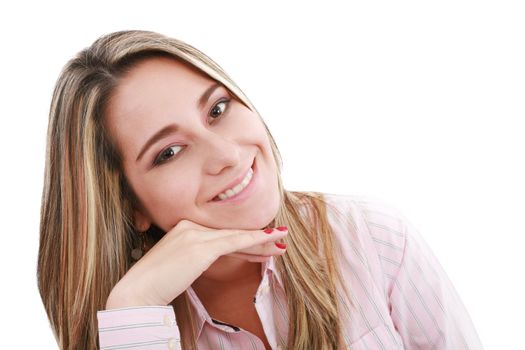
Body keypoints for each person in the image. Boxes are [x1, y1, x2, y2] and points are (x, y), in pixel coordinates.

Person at [37, 30, 484, 350]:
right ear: (128, 204)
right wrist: (135, 306)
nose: (227, 155)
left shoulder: (371, 237)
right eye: (170, 152)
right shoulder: (122, 322)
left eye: (217, 108)